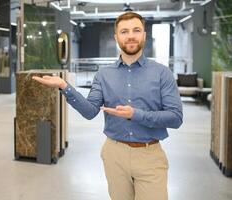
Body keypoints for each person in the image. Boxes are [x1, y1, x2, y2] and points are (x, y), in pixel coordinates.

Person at [32, 11, 183, 200]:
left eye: (136, 30)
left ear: (144, 34)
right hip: (114, 154)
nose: (130, 36)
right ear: (116, 37)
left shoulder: (162, 73)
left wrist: (135, 114)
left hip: (150, 155)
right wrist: (64, 86)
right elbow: (90, 111)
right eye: (124, 31)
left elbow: (176, 118)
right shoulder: (104, 75)